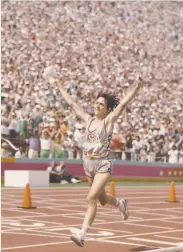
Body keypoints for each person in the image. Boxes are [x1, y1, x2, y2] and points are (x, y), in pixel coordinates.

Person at [43, 66, 143, 247]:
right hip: (88, 166)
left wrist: (136, 86)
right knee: (103, 200)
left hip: (102, 166)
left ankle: (82, 234)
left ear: (107, 109)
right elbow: (72, 103)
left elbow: (122, 105)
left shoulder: (108, 122)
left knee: (91, 199)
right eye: (96, 103)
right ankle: (120, 203)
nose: (96, 105)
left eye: (101, 104)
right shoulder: (88, 120)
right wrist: (57, 82)